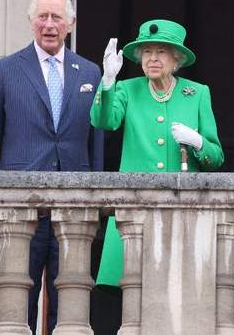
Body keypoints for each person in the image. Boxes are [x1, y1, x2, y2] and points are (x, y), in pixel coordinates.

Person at [0, 0, 104, 334]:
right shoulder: (4, 71)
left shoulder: (90, 73)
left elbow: (96, 141)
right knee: (18, 304)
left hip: (74, 209)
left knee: (70, 306)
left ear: (70, 24)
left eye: (57, 17)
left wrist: (97, 197)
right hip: (20, 208)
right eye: (42, 17)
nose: (49, 25)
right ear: (31, 21)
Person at [91, 19, 224, 334]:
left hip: (180, 214)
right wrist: (107, 81)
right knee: (121, 298)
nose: (152, 58)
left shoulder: (197, 94)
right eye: (147, 52)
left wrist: (198, 142)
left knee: (177, 300)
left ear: (176, 59)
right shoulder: (127, 89)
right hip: (133, 212)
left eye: (161, 52)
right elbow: (103, 120)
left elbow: (216, 158)